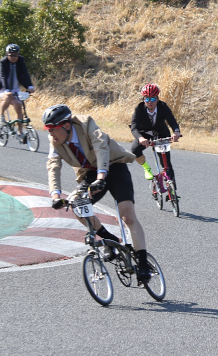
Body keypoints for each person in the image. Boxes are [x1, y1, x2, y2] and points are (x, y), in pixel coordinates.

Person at [43, 104, 152, 282]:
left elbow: (101, 148)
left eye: (52, 130)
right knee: (77, 206)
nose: (50, 135)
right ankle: (110, 240)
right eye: (47, 130)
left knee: (128, 216)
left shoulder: (86, 123)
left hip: (113, 165)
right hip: (90, 173)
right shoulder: (54, 141)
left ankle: (143, 262)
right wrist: (55, 195)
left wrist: (101, 176)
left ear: (67, 126)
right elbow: (53, 165)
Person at [130, 83, 181, 182]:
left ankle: (173, 192)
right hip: (145, 134)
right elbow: (134, 126)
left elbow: (172, 120)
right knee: (135, 150)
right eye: (147, 99)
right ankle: (146, 168)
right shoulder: (139, 108)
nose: (150, 102)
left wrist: (176, 131)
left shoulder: (162, 106)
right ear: (143, 99)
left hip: (161, 134)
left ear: (157, 99)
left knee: (166, 164)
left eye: (153, 99)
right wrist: (141, 138)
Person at [0, 44, 35, 143]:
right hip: (3, 87)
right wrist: (6, 90)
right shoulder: (3, 62)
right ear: (7, 54)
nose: (14, 57)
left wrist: (29, 86)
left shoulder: (20, 60)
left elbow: (25, 74)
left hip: (14, 87)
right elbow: (3, 76)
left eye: (16, 55)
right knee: (9, 96)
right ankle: (1, 115)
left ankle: (20, 132)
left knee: (19, 105)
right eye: (11, 55)